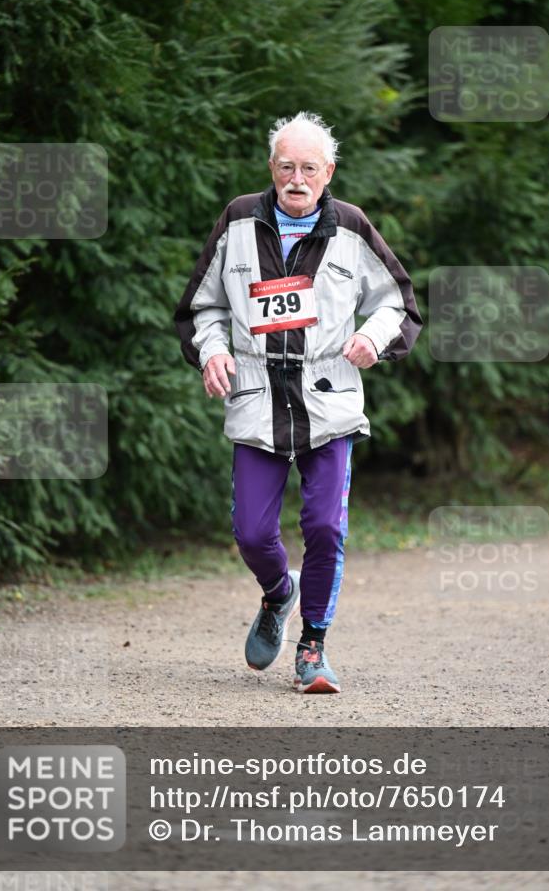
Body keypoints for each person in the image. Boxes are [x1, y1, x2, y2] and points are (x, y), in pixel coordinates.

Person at [175, 111, 422, 694]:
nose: (296, 178)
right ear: (271, 168)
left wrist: (372, 337)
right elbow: (201, 307)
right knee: (253, 535)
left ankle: (312, 648)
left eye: (309, 168)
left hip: (328, 401)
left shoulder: (352, 228)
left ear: (328, 172)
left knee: (324, 527)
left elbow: (398, 302)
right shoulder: (237, 220)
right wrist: (212, 351)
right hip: (258, 401)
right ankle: (278, 594)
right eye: (286, 166)